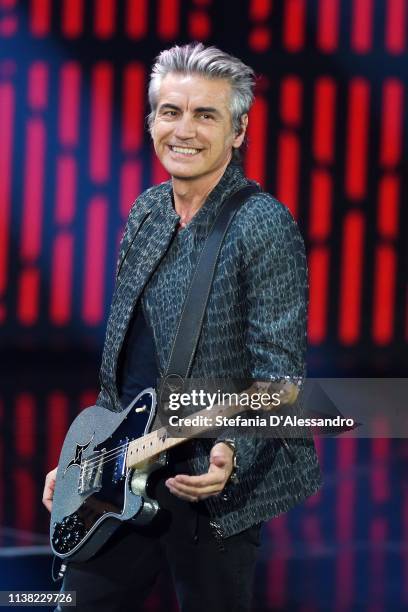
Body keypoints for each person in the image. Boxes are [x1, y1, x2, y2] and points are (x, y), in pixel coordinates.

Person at [43, 42, 322, 612]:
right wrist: (83, 462)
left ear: (238, 130)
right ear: (151, 121)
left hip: (207, 484)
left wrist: (232, 454)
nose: (184, 130)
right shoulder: (145, 212)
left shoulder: (263, 225)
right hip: (121, 475)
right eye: (171, 112)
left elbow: (281, 383)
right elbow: (123, 369)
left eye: (205, 114)